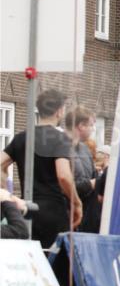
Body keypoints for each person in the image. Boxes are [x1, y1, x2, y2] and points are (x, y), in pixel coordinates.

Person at [1, 89, 81, 246]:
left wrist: (6, 193)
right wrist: (77, 203)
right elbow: (63, 175)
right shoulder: (60, 138)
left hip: (27, 209)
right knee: (55, 264)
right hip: (54, 212)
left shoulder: (22, 137)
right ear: (59, 111)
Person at [63, 106, 100, 233]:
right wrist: (92, 183)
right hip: (65, 214)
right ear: (81, 126)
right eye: (91, 125)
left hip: (86, 216)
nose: (92, 130)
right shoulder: (59, 147)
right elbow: (61, 184)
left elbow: (93, 178)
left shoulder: (86, 149)